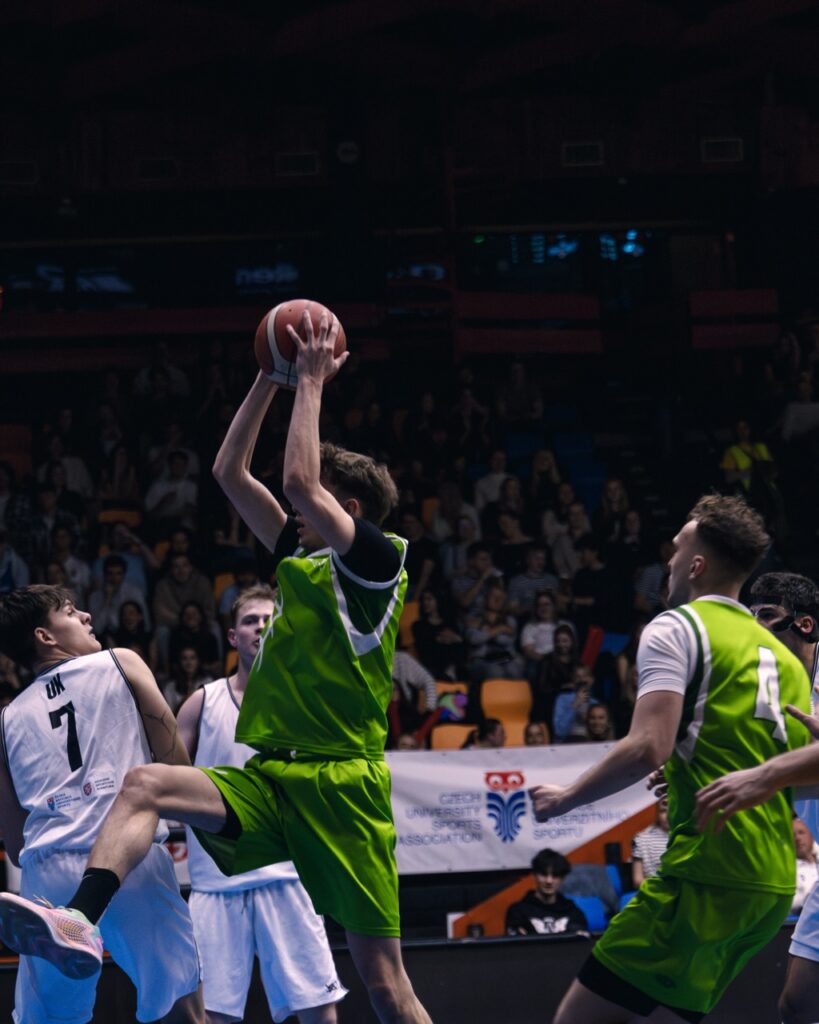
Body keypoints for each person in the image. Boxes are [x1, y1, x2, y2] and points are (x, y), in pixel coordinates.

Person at [0, 312, 432, 1024]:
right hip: (275, 779)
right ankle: (78, 918)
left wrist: (311, 380)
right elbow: (229, 473)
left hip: (342, 785)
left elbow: (299, 482)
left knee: (385, 986)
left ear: (347, 509)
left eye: (313, 505)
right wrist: (267, 377)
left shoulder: (376, 565)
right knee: (144, 784)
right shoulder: (300, 560)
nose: (292, 512)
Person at [528, 494, 811, 1024]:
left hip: (708, 874)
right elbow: (797, 777)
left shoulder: (676, 627)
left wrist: (565, 799)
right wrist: (685, 767)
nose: (670, 560)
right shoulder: (785, 659)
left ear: (697, 566)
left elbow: (646, 747)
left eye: (677, 550)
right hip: (771, 888)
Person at [0, 585, 203, 1024]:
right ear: (44, 636)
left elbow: (15, 845)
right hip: (130, 857)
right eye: (71, 612)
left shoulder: (6, 718)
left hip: (45, 877)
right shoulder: (121, 662)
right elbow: (177, 770)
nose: (87, 616)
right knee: (180, 1009)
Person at [177, 585, 344, 1023]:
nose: (261, 627)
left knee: (319, 1011)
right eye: (250, 621)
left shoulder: (305, 702)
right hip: (215, 882)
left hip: (288, 876)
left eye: (269, 620)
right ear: (233, 637)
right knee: (212, 1016)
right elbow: (169, 781)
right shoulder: (201, 704)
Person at [694, 570, 819, 1024]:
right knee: (797, 1005)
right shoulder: (766, 687)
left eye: (766, 615)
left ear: (804, 624)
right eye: (750, 617)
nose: (754, 627)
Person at [505, 849, 588, 937]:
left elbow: (579, 942)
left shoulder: (573, 912)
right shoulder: (518, 912)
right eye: (544, 874)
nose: (549, 881)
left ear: (563, 878)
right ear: (535, 875)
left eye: (555, 875)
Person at [630, 797, 670, 888]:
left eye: (672, 809)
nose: (667, 815)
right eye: (663, 811)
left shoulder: (689, 837)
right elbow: (638, 880)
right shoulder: (641, 840)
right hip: (655, 892)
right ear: (658, 813)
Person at [793, 816, 819, 915]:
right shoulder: (789, 870)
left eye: (801, 833)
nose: (797, 838)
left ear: (811, 836)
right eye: (792, 835)